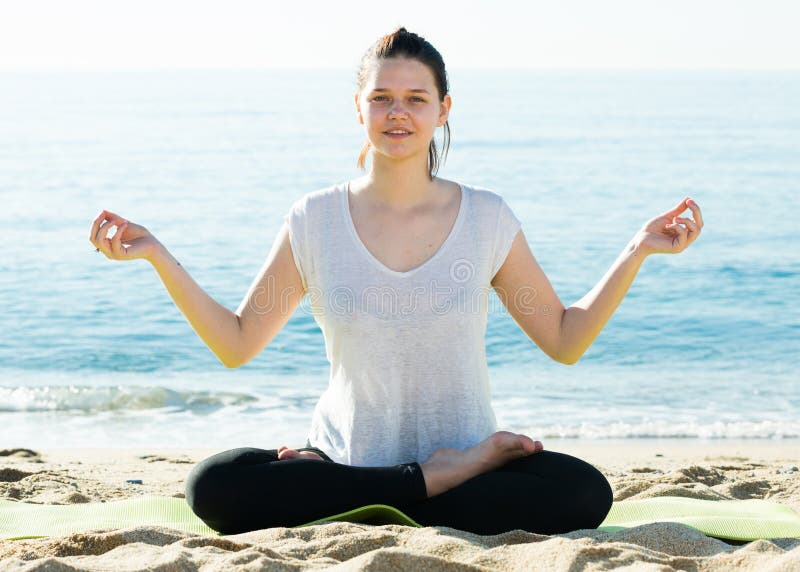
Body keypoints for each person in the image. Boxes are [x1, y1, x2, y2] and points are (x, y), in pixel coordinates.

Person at [88, 27, 703, 536]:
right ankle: (427, 484)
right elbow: (239, 341)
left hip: (466, 465)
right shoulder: (315, 220)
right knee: (212, 484)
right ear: (358, 107)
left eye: (415, 98)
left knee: (583, 492)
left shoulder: (486, 218)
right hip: (343, 460)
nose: (398, 113)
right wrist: (158, 256)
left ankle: (413, 486)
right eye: (381, 98)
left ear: (443, 109)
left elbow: (564, 339)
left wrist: (638, 250)